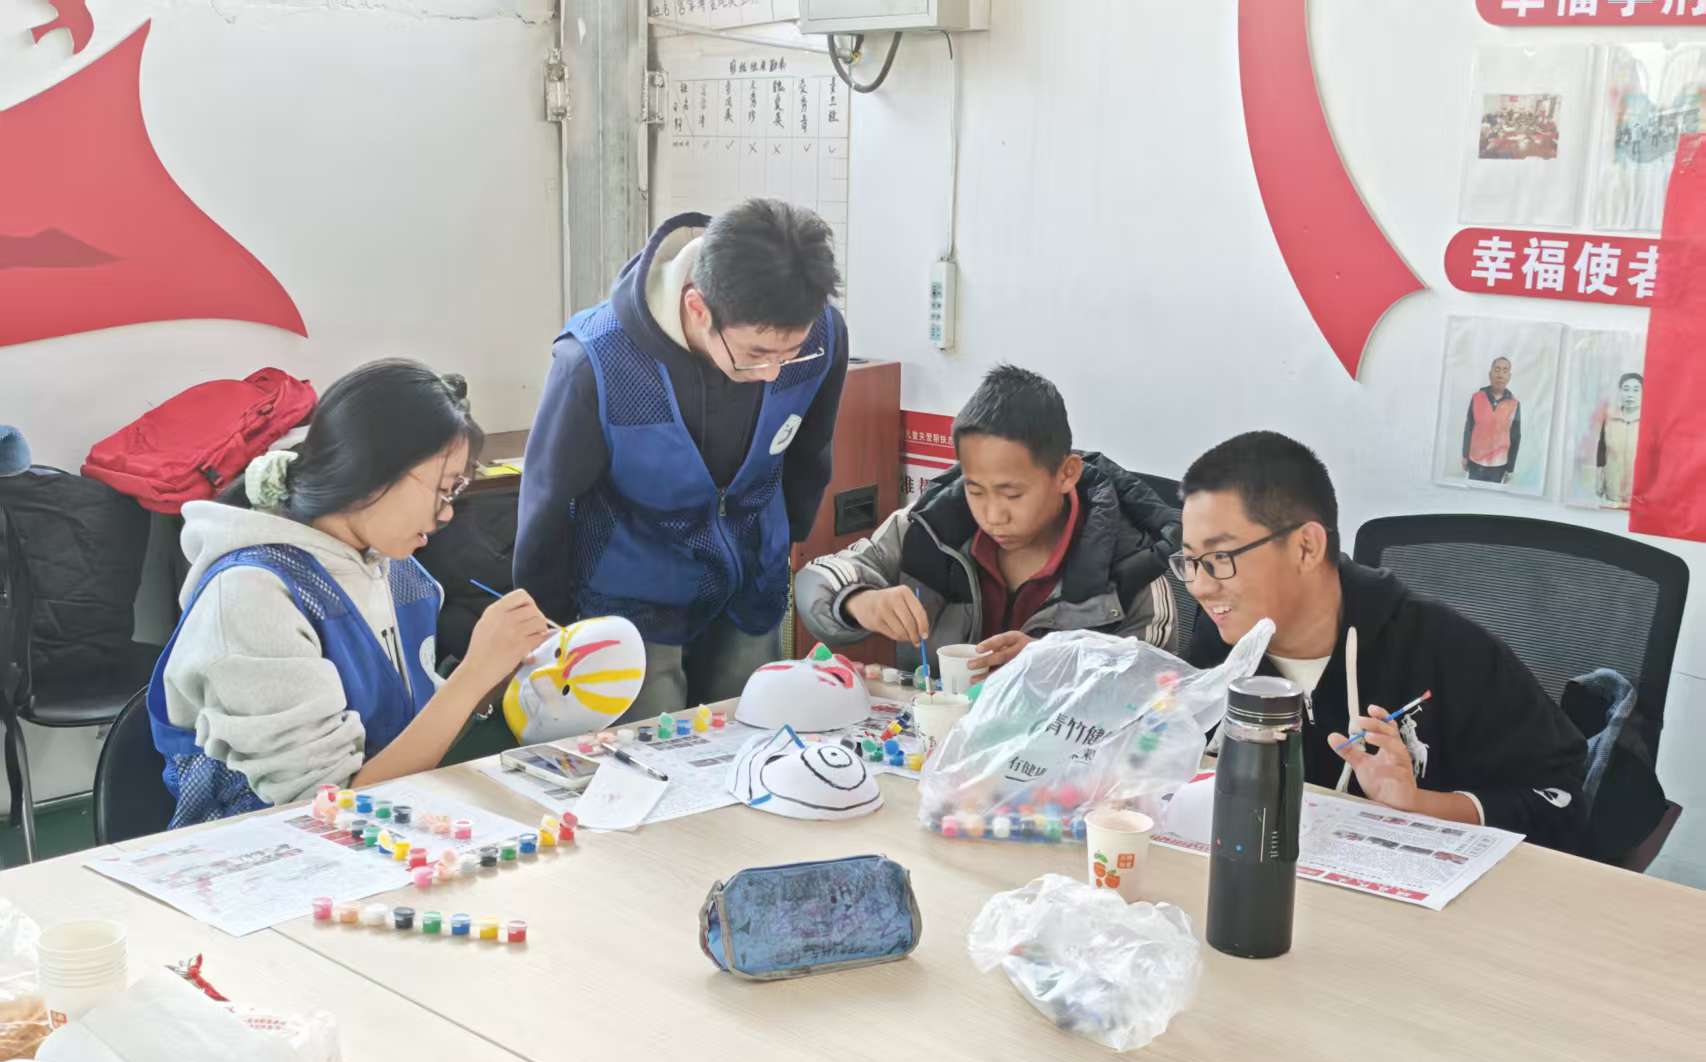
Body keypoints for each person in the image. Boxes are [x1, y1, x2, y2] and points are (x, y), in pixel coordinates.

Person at [148, 360, 553, 828]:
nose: (446, 514)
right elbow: (328, 809)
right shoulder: (251, 595)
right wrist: (474, 674)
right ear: (372, 475)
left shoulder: (396, 570)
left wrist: (495, 676)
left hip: (386, 830)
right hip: (270, 847)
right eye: (444, 490)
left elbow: (412, 733)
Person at [515, 198, 849, 720]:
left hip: (749, 584)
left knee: (752, 737)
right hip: (634, 604)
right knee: (649, 751)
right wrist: (549, 630)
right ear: (698, 307)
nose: (772, 373)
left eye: (791, 354)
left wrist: (783, 544)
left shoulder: (821, 335)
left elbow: (811, 450)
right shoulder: (598, 361)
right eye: (757, 355)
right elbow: (547, 502)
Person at [1178, 430, 1586, 852]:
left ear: (1306, 547)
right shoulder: (1222, 643)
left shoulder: (1446, 649)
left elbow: (1562, 801)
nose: (1199, 587)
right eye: (1189, 560)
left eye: (1220, 558)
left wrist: (1419, 804)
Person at [794, 365, 1180, 674]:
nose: (993, 516)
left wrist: (1050, 665)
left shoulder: (1134, 565)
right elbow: (815, 580)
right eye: (976, 490)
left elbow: (1156, 685)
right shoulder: (930, 526)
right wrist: (858, 600)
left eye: (1012, 494)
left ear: (1066, 474)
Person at [1461, 356, 1521, 485]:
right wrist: (1465, 455)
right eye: (1497, 370)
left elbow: (1515, 437)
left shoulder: (1514, 404)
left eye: (1505, 371)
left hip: (1498, 466)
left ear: (1509, 377)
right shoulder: (1477, 397)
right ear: (1490, 374)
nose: (1500, 375)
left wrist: (1510, 468)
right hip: (1475, 463)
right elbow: (1469, 427)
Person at [1595, 372, 1642, 509]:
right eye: (1626, 389)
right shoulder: (1609, 421)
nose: (1630, 394)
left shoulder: (1649, 424)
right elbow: (1601, 455)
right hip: (1611, 496)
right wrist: (1599, 485)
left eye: (1636, 390)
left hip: (1639, 499)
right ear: (1620, 392)